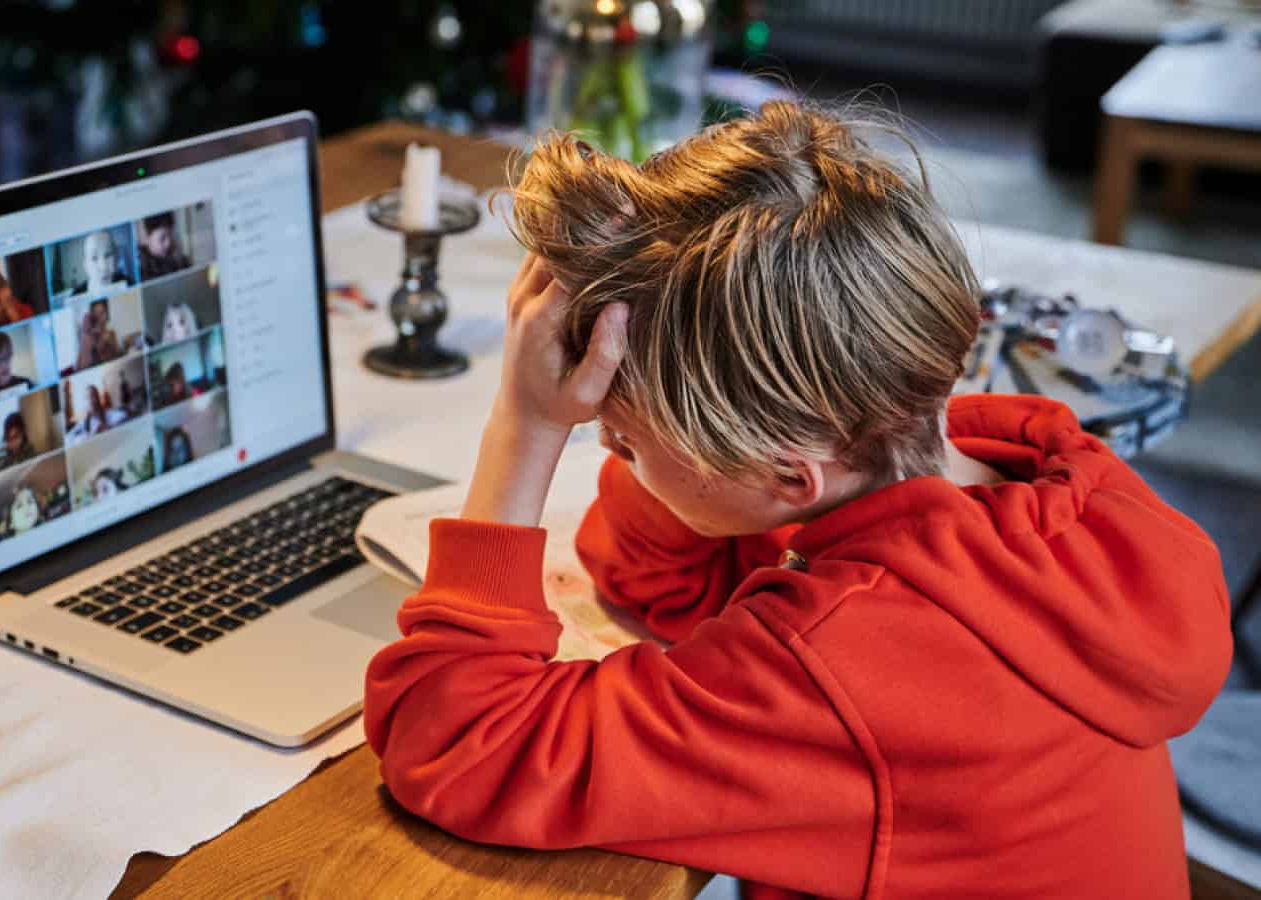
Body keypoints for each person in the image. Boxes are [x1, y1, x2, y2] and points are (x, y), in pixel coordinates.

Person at [360, 102, 1233, 899]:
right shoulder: (1044, 484)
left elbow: (455, 741)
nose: (608, 447)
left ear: (790, 477)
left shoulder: (839, 661)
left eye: (625, 440)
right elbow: (650, 577)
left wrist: (526, 427)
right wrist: (675, 328)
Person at [70, 229, 130, 297]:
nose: (103, 267)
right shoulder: (76, 295)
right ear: (85, 265)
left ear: (117, 257)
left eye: (108, 255)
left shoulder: (128, 283)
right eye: (94, 258)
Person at [138, 211, 192, 279]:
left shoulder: (178, 259)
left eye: (170, 235)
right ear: (146, 238)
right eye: (162, 238)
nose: (168, 243)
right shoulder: (140, 269)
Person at [75, 298, 124, 370]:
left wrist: (113, 347)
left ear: (107, 314)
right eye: (96, 315)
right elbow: (79, 368)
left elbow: (120, 359)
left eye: (102, 313)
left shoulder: (112, 334)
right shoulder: (88, 339)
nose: (99, 318)